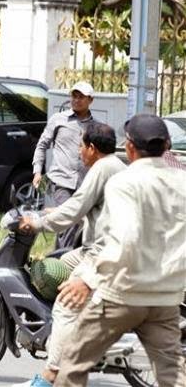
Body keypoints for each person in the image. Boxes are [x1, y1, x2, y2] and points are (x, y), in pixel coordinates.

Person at [54, 114, 186, 387]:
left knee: (73, 360)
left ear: (129, 147)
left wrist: (87, 280)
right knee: (173, 374)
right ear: (167, 146)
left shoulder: (123, 183)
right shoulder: (182, 182)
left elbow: (123, 238)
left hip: (123, 295)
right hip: (165, 298)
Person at [14, 122, 126, 387]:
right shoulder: (113, 165)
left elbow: (76, 208)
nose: (78, 152)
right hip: (93, 247)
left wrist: (39, 223)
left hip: (101, 252)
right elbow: (86, 207)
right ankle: (65, 337)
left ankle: (51, 373)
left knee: (65, 303)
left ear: (92, 148)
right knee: (59, 264)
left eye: (81, 146)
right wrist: (47, 212)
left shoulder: (102, 168)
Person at [32, 82, 94, 249]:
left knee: (80, 224)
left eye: (81, 97)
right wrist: (37, 171)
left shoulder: (94, 127)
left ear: (90, 100)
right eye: (74, 96)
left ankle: (62, 258)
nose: (77, 100)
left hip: (84, 184)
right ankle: (60, 261)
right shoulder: (58, 119)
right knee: (66, 221)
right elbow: (42, 145)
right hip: (62, 181)